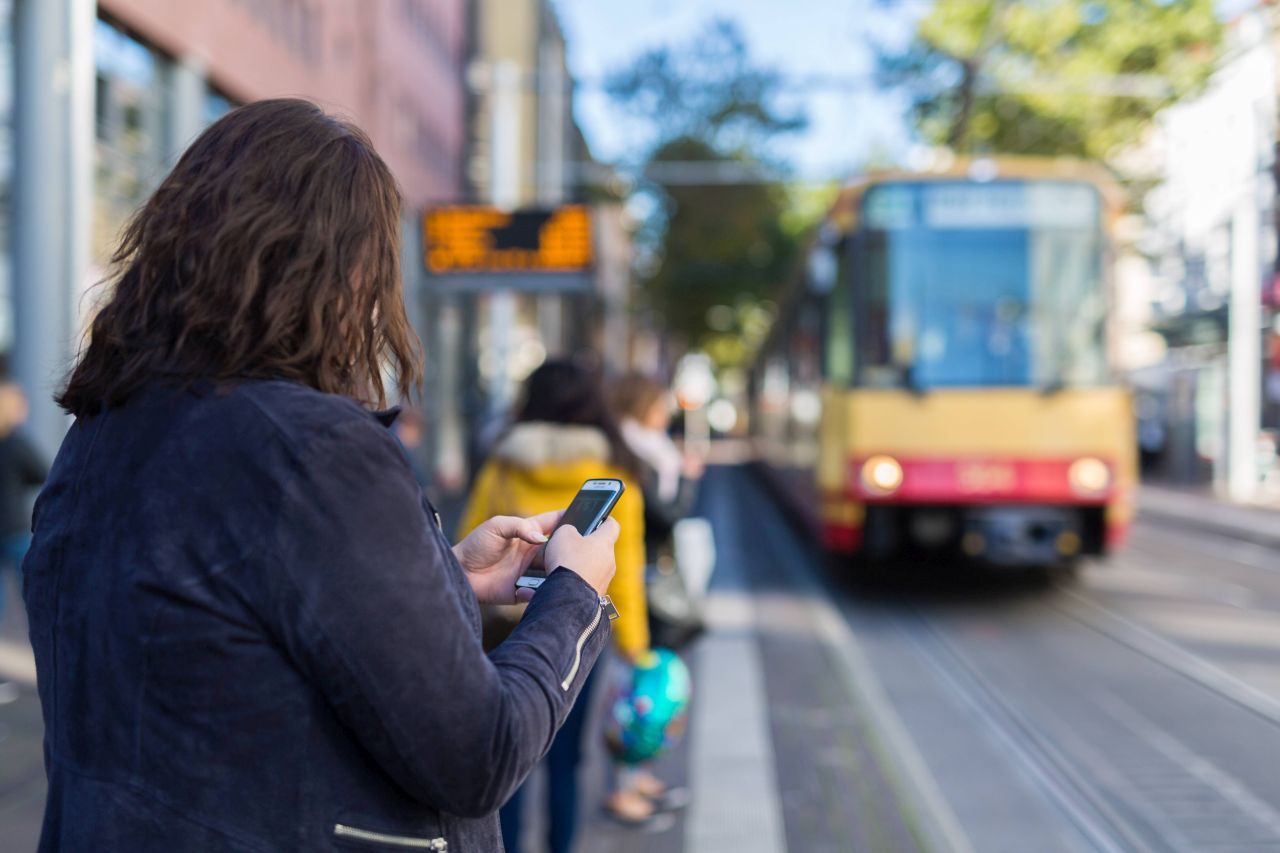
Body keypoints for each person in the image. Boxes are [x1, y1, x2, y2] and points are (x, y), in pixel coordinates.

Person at [21, 98, 620, 852]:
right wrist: (575, 596)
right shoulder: (315, 451)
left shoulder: (99, 438)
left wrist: (442, 575)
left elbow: (217, 641)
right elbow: (480, 754)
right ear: (349, 271)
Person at [459, 359, 658, 851]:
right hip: (576, 627)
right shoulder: (614, 473)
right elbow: (625, 569)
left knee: (508, 755)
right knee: (567, 759)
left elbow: (470, 534)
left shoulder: (503, 461)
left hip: (502, 625)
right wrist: (636, 647)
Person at [0, 380, 46, 704]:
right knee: (34, 600)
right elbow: (43, 471)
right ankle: (48, 665)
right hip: (14, 528)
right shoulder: (15, 442)